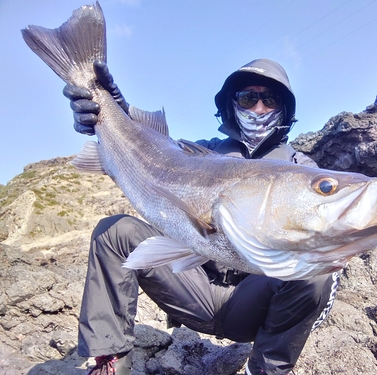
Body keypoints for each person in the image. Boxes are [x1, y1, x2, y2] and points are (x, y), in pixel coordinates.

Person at [64, 58, 339, 375]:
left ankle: (265, 371)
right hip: (190, 286)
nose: (260, 108)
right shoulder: (203, 153)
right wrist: (113, 115)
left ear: (284, 108)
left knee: (315, 267)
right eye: (248, 98)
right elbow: (154, 158)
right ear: (231, 105)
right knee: (115, 232)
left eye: (271, 98)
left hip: (250, 305)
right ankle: (111, 360)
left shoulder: (301, 169)